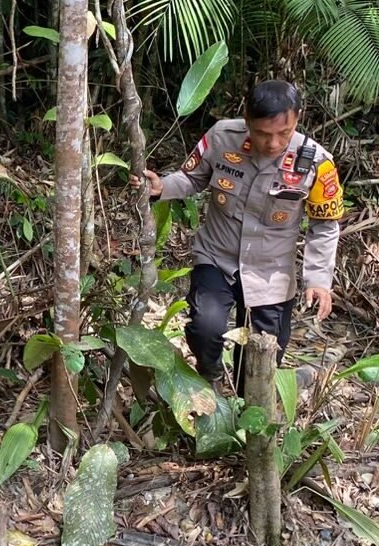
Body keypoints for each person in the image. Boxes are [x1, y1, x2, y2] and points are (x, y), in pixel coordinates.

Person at [132, 80, 343, 391]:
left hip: (272, 274)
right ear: (246, 120)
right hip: (217, 257)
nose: (273, 144)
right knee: (205, 328)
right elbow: (192, 178)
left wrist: (319, 281)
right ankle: (211, 379)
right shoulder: (221, 137)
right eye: (262, 133)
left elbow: (324, 226)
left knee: (261, 359)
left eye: (283, 134)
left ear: (298, 119)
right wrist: (161, 188)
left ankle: (247, 413)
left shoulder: (316, 163)